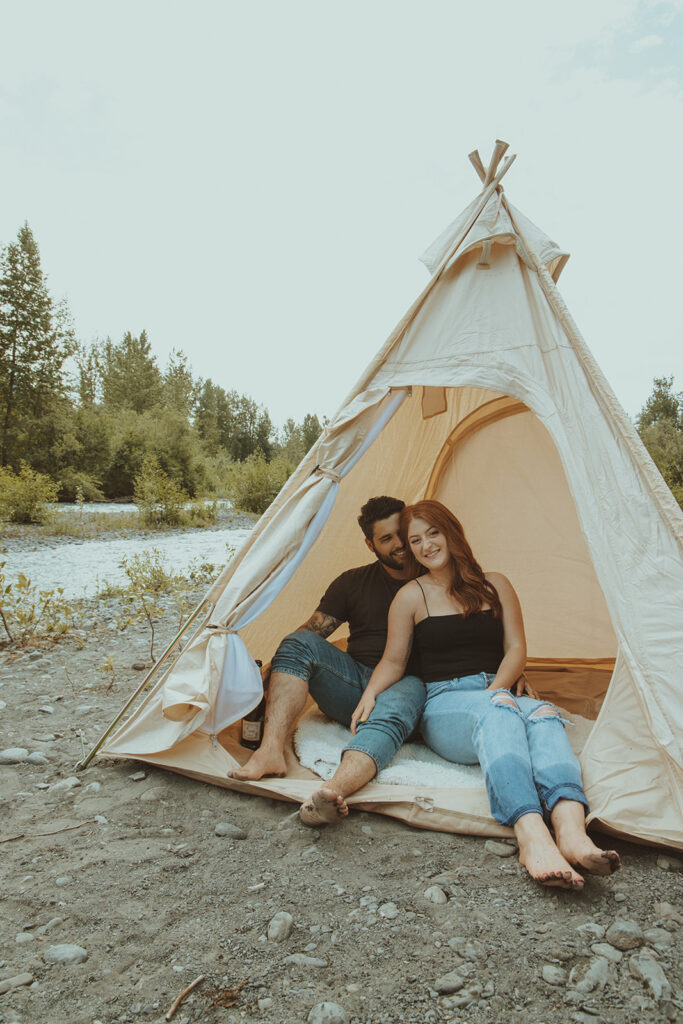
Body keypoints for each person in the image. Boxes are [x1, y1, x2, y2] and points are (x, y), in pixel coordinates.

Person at [350, 499, 620, 891]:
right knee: (501, 711)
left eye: (433, 533)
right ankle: (531, 835)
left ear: (451, 531)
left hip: (497, 689)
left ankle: (571, 829)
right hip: (446, 702)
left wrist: (496, 690)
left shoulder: (496, 584)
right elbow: (394, 660)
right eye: (415, 540)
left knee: (544, 712)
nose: (426, 545)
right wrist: (370, 694)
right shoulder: (410, 596)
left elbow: (516, 650)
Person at [228, 496, 427, 825]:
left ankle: (330, 793)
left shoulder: (436, 578)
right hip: (353, 684)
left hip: (407, 686)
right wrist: (267, 674)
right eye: (386, 538)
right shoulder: (353, 582)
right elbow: (311, 634)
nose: (400, 544)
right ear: (369, 544)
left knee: (400, 695)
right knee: (296, 642)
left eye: (401, 533)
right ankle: (270, 751)